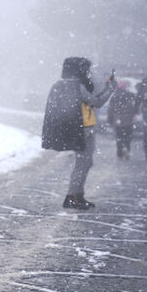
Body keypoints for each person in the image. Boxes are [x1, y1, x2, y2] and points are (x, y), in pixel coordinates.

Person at [41, 57, 114, 210]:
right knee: (83, 164)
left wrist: (106, 88)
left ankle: (77, 196)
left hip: (79, 129)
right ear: (79, 70)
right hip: (84, 131)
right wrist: (111, 89)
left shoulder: (62, 84)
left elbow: (89, 100)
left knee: (84, 163)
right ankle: (73, 197)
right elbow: (96, 102)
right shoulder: (76, 86)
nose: (88, 73)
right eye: (86, 70)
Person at [108, 81, 138, 160]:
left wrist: (110, 120)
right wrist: (134, 114)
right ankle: (127, 149)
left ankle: (119, 155)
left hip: (118, 121)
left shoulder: (114, 96)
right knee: (127, 137)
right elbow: (136, 105)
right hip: (128, 120)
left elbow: (110, 109)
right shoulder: (130, 95)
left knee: (119, 138)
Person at [135, 76, 147, 161]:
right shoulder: (143, 84)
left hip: (146, 113)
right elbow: (138, 99)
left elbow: (138, 99)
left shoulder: (143, 83)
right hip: (146, 113)